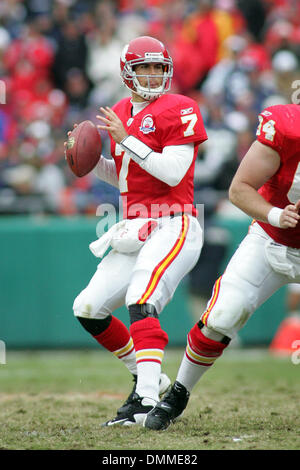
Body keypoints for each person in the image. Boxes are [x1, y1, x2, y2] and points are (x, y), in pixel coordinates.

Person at [68, 36, 208, 426]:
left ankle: (145, 399)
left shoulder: (180, 107)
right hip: (135, 224)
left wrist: (126, 138)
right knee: (88, 308)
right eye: (144, 67)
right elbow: (126, 175)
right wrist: (88, 161)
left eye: (159, 67)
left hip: (175, 220)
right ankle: (149, 376)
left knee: (141, 298)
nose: (152, 74)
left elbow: (173, 171)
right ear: (128, 73)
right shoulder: (119, 110)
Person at [144, 102, 300, 430]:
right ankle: (178, 393)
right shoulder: (285, 128)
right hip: (271, 239)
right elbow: (239, 189)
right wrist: (276, 214)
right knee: (221, 317)